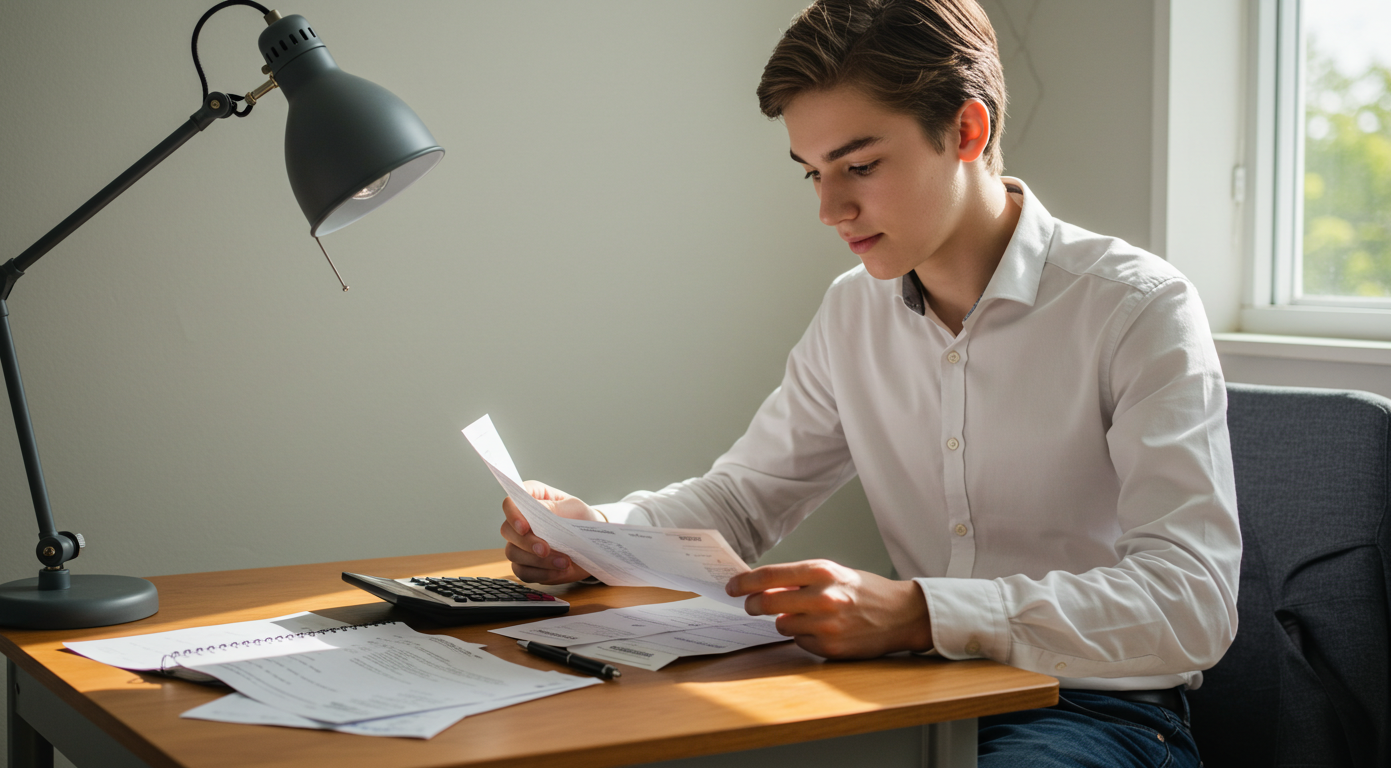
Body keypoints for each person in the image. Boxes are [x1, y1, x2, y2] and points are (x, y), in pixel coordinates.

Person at [499, 1, 1240, 765]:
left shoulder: (1136, 305)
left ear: (967, 132)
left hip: (1087, 710)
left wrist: (921, 613)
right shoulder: (854, 309)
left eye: (859, 166)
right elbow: (745, 500)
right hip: (905, 691)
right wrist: (595, 537)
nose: (830, 209)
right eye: (814, 173)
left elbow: (1192, 604)